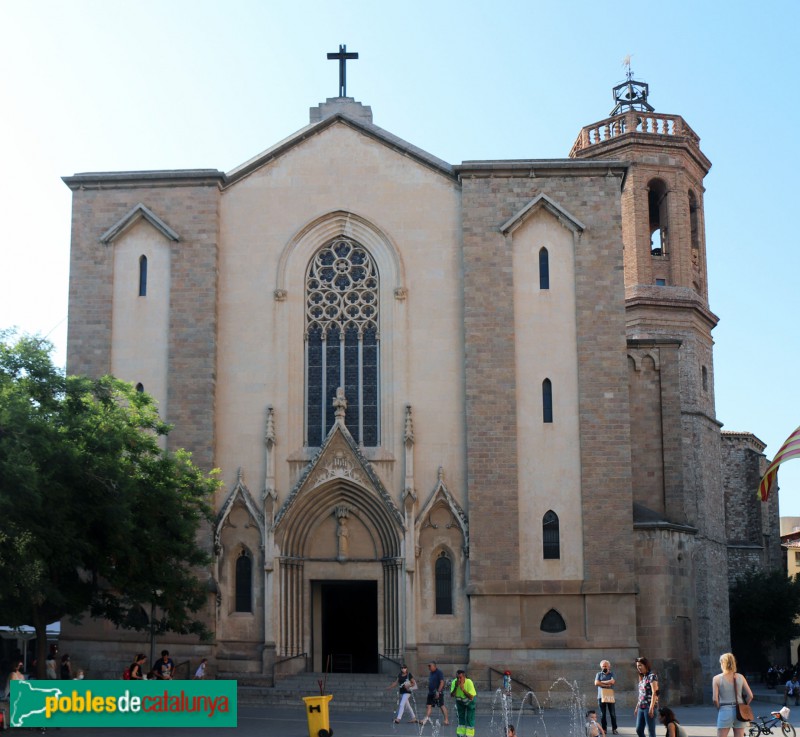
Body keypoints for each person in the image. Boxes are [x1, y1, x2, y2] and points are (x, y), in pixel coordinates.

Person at [712, 652, 753, 737]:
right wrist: (744, 706)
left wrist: (719, 708)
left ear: (723, 663)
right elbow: (750, 695)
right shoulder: (740, 677)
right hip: (739, 711)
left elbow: (715, 699)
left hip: (725, 709)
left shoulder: (717, 678)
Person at [634, 656, 659, 737]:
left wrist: (652, 707)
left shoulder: (652, 676)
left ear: (646, 665)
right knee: (639, 730)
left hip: (649, 706)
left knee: (651, 731)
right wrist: (637, 706)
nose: (638, 668)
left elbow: (655, 692)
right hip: (641, 706)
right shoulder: (642, 677)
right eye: (637, 666)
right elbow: (641, 694)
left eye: (640, 665)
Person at [450, 669, 477, 737]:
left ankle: (469, 735)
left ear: (464, 677)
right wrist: (456, 687)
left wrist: (463, 689)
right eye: (457, 678)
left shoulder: (469, 682)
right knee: (460, 718)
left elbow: (471, 697)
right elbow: (452, 695)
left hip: (470, 702)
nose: (459, 680)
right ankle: (460, 735)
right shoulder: (454, 682)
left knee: (469, 718)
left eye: (460, 678)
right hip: (460, 702)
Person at [422, 661, 450, 726]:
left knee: (441, 705)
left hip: (437, 692)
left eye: (430, 666)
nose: (429, 667)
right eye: (428, 666)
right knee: (428, 706)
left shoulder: (439, 672)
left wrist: (438, 691)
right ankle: (425, 720)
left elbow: (442, 682)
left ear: (434, 666)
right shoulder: (431, 673)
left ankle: (446, 720)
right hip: (431, 693)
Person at [595, 659, 618, 734]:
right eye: (603, 666)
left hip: (610, 696)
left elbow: (613, 681)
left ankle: (614, 729)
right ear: (601, 667)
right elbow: (596, 683)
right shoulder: (598, 674)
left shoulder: (612, 674)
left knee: (612, 714)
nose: (604, 667)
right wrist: (607, 684)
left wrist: (601, 682)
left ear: (609, 666)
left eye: (606, 666)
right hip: (601, 696)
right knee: (603, 714)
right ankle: (604, 729)